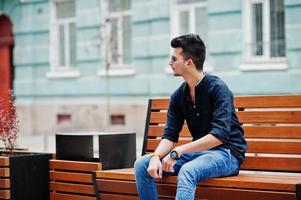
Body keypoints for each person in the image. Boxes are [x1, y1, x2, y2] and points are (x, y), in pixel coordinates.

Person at [134, 34, 247, 200]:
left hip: (227, 154)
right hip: (199, 154)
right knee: (142, 164)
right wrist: (156, 157)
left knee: (188, 170)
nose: (170, 63)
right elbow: (170, 135)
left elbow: (219, 136)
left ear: (189, 63)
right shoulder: (178, 95)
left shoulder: (218, 89)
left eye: (174, 59)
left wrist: (178, 151)